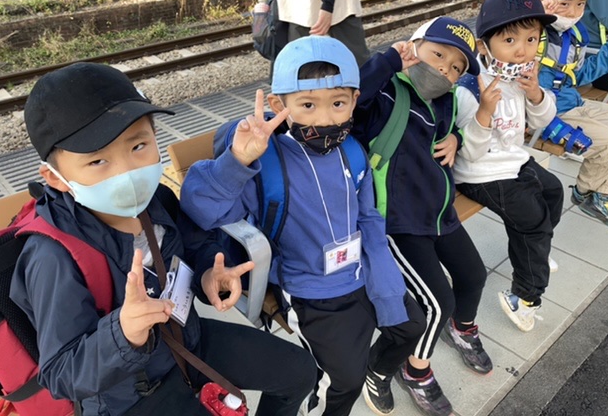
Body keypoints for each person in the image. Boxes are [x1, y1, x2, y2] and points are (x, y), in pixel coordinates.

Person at [10, 62, 316, 416]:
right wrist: (124, 332)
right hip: (129, 391)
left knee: (299, 372)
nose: (128, 171)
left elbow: (193, 245)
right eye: (97, 162)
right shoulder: (52, 256)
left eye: (138, 145)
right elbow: (61, 374)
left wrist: (209, 274)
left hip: (188, 339)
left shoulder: (155, 199)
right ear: (56, 178)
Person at [179, 36, 427, 416]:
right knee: (344, 381)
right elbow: (203, 211)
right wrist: (237, 162)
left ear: (354, 101)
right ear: (280, 106)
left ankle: (375, 372)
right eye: (308, 105)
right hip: (312, 290)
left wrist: (386, 283)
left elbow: (368, 217)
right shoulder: (267, 161)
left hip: (363, 270)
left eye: (338, 103)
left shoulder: (352, 151)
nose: (325, 119)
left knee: (411, 326)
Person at [352, 16, 491, 416]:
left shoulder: (446, 101)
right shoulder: (386, 91)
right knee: (436, 303)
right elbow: (350, 102)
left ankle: (460, 331)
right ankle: (398, 369)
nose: (445, 69)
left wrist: (456, 137)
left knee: (473, 275)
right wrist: (387, 62)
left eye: (456, 67)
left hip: (438, 212)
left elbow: (444, 137)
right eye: (438, 54)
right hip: (397, 221)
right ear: (413, 47)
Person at [454, 0, 564, 333]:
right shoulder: (471, 88)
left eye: (531, 39)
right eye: (510, 40)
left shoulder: (520, 76)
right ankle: (525, 297)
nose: (522, 50)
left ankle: (536, 251)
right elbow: (469, 152)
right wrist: (485, 112)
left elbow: (544, 120)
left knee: (553, 191)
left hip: (513, 160)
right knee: (532, 220)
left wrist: (535, 94)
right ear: (484, 46)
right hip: (480, 172)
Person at [537, 0, 608, 231]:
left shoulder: (575, 35)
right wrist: (535, 14)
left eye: (580, 4)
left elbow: (580, 75)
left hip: (574, 102)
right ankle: (584, 192)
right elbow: (508, 31)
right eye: (564, 3)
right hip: (549, 112)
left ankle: (602, 195)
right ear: (545, 1)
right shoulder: (533, 32)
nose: (573, 11)